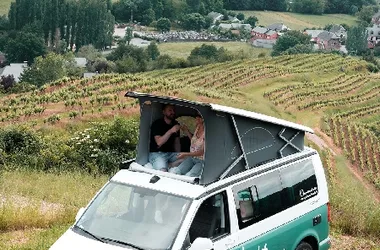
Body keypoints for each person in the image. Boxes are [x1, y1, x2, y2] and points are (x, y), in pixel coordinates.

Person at [148, 104, 181, 172]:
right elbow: (159, 142)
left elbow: (177, 142)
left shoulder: (175, 123)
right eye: (170, 110)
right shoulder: (157, 124)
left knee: (189, 159)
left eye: (173, 110)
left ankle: (171, 165)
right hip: (157, 153)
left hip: (171, 153)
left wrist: (179, 154)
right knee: (163, 171)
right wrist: (171, 131)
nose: (173, 112)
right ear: (164, 112)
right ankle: (166, 166)